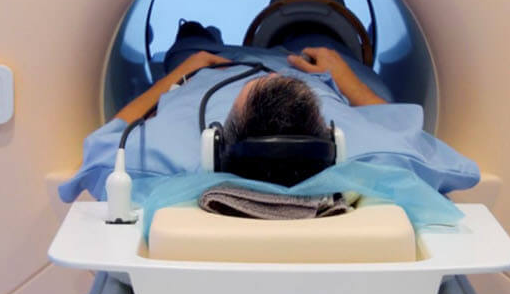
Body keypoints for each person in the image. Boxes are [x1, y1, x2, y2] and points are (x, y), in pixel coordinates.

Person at [57, 39, 479, 203]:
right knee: (324, 44)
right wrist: (341, 76)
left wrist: (182, 73)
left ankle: (196, 38)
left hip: (209, 65)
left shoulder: (156, 156)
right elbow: (445, 159)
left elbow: (104, 140)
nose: (269, 75)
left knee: (191, 41)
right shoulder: (379, 153)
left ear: (216, 139)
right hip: (314, 65)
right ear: (332, 137)